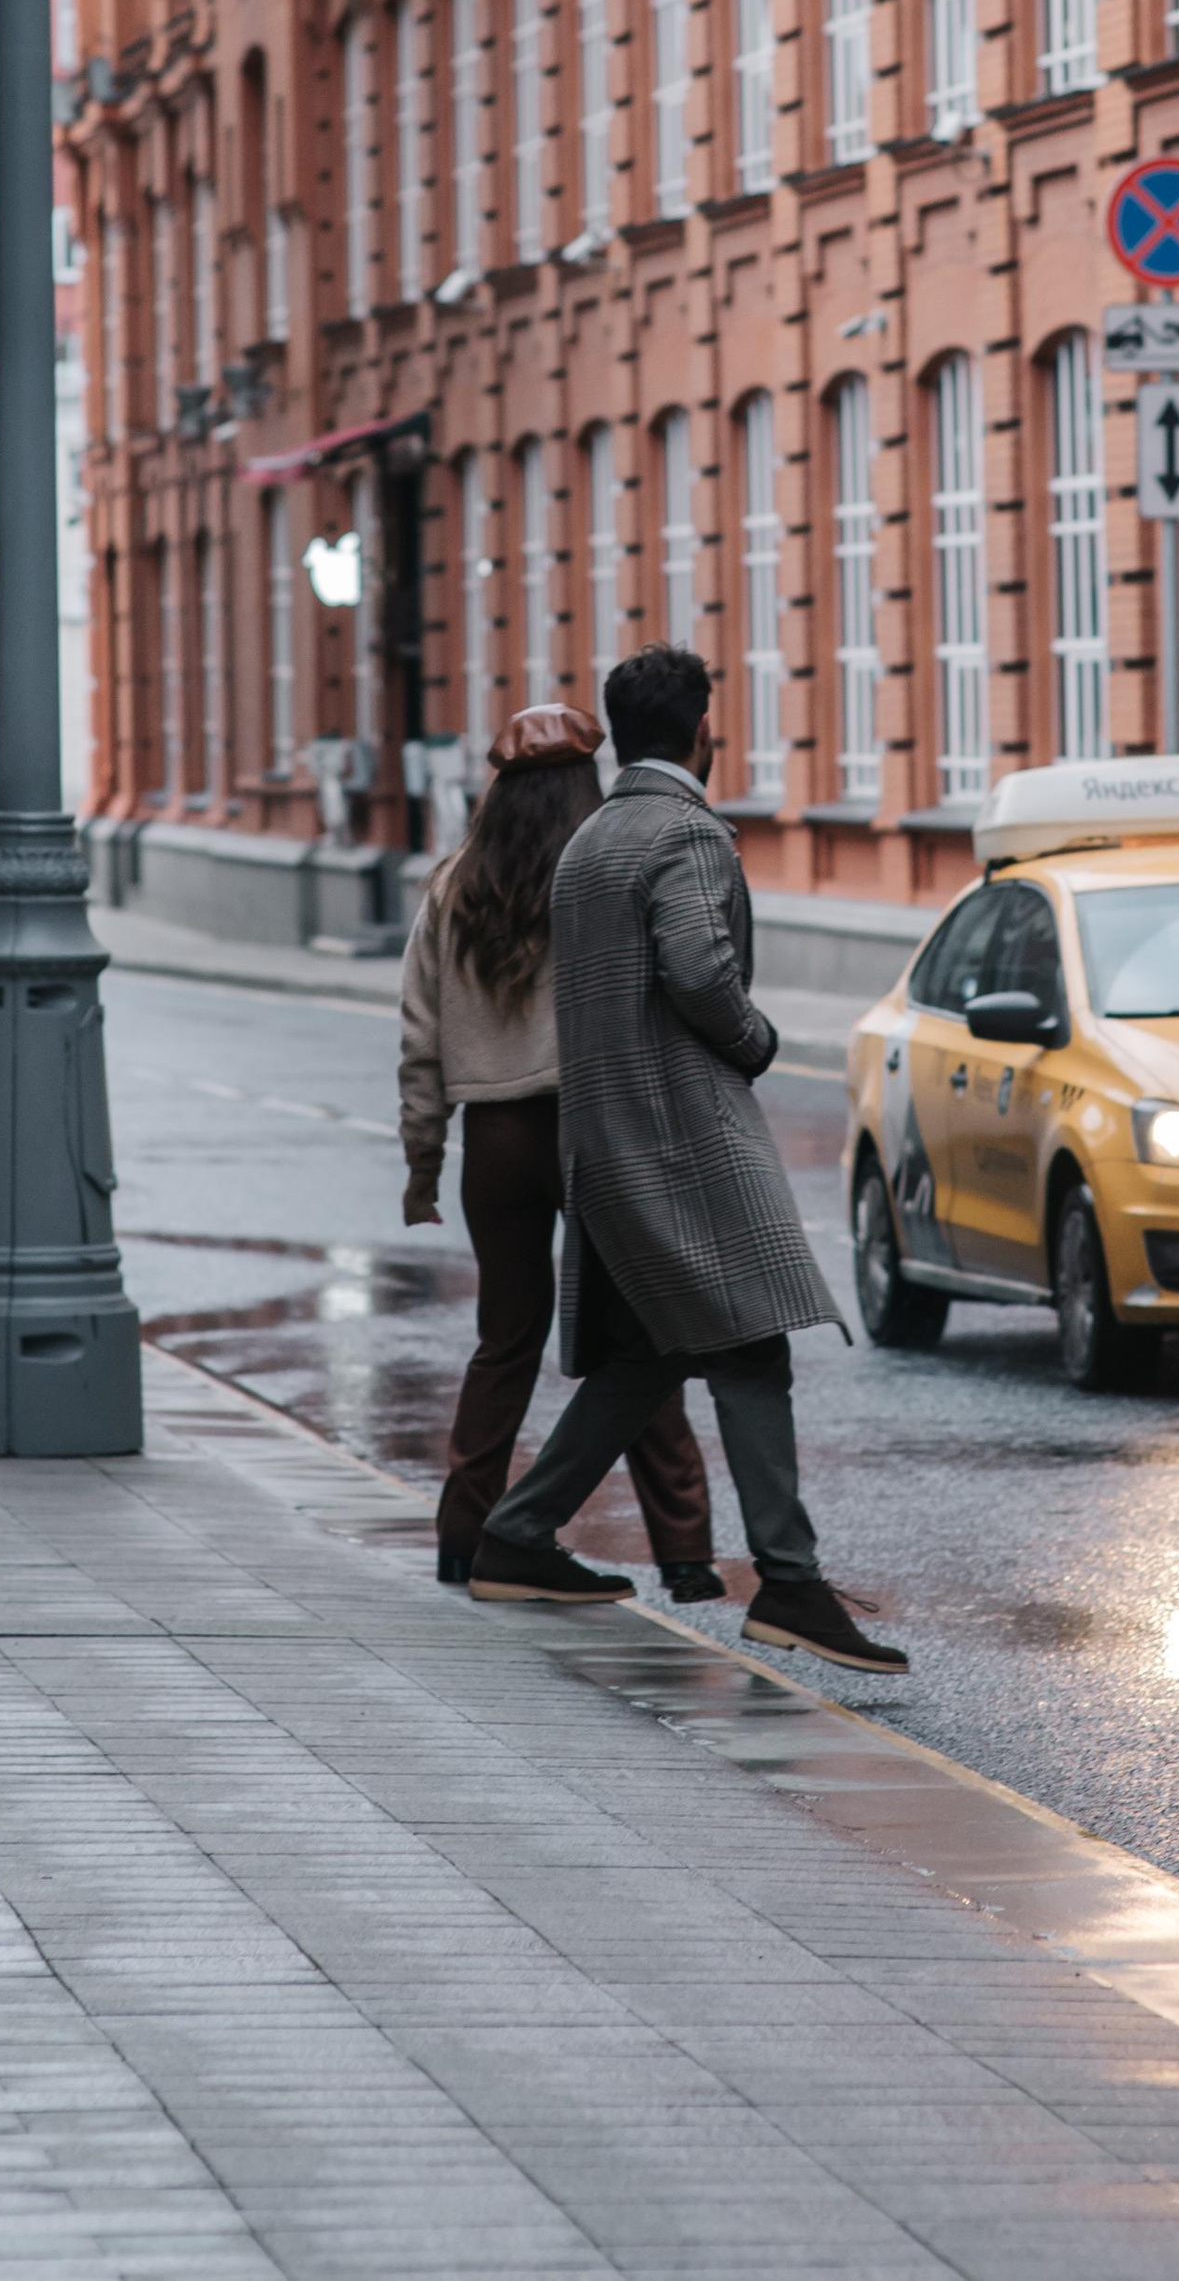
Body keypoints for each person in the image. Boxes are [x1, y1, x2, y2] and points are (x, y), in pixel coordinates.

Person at [470, 643, 906, 1676]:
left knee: (643, 1359)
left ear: (623, 731)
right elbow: (700, 970)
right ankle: (791, 1587)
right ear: (704, 729)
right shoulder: (684, 832)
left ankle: (516, 1537)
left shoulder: (592, 840)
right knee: (754, 1341)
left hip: (603, 1139)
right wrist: (756, 1042)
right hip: (679, 1134)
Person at [400, 699, 724, 1603]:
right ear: (590, 781)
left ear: (496, 789)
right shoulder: (607, 877)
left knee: (503, 1341)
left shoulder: (452, 883)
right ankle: (687, 1552)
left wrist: (423, 1164)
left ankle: (462, 1536)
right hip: (597, 1130)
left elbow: (418, 1038)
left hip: (494, 1142)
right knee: (643, 1338)